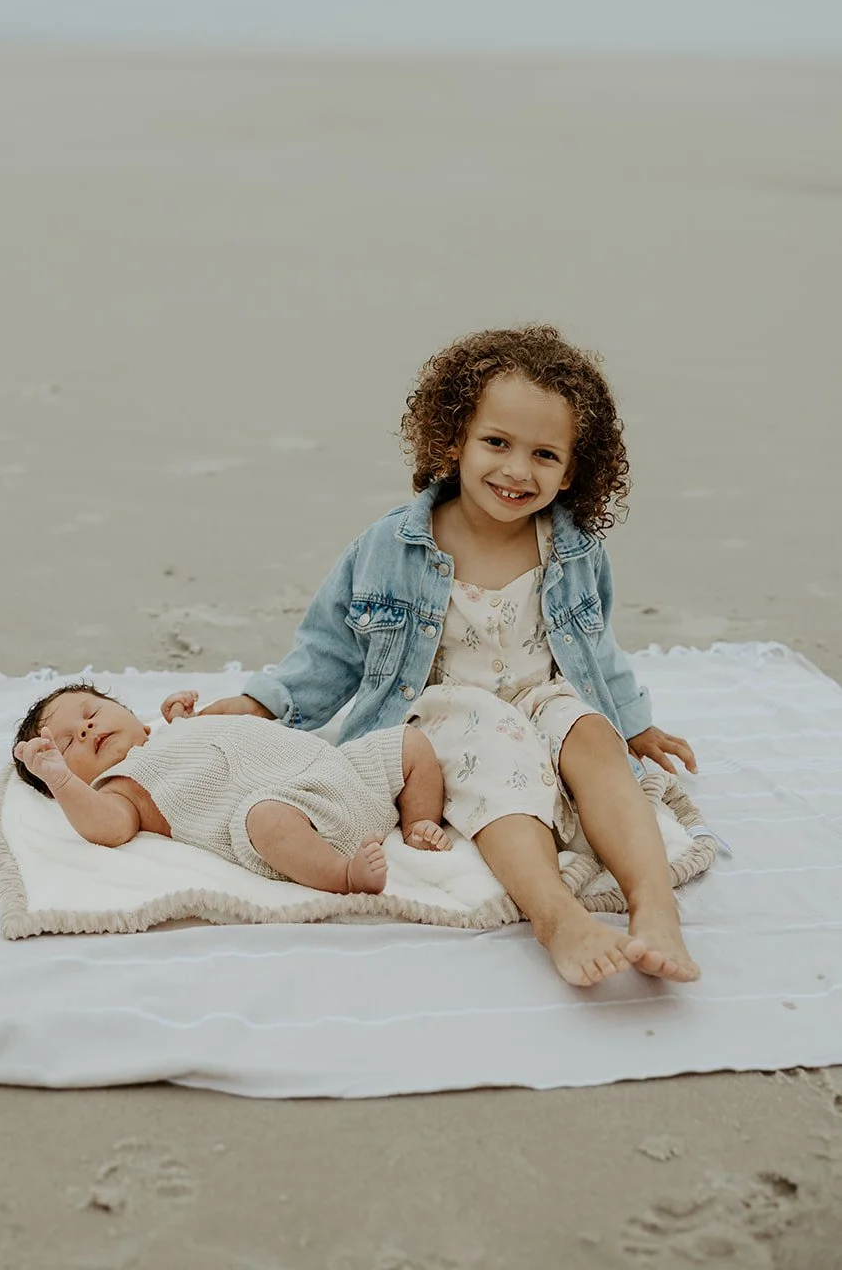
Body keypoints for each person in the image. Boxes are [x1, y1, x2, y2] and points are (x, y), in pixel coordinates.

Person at [200, 324, 701, 987]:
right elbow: (328, 647)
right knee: (492, 749)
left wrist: (632, 722)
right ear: (453, 438)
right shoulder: (391, 546)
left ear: (573, 468)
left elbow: (594, 647)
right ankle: (553, 914)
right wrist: (266, 701)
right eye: (496, 442)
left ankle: (653, 906)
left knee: (590, 736)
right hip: (438, 710)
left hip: (541, 694)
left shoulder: (573, 548)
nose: (516, 471)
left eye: (544, 454)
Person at [11, 681, 450, 895]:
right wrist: (63, 781)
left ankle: (417, 824)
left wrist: (186, 717)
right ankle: (344, 876)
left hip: (342, 773)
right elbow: (106, 828)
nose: (86, 730)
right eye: (68, 744)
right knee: (266, 819)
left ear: (136, 719)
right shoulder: (122, 788)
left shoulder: (174, 731)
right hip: (299, 816)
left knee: (408, 742)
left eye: (92, 712)